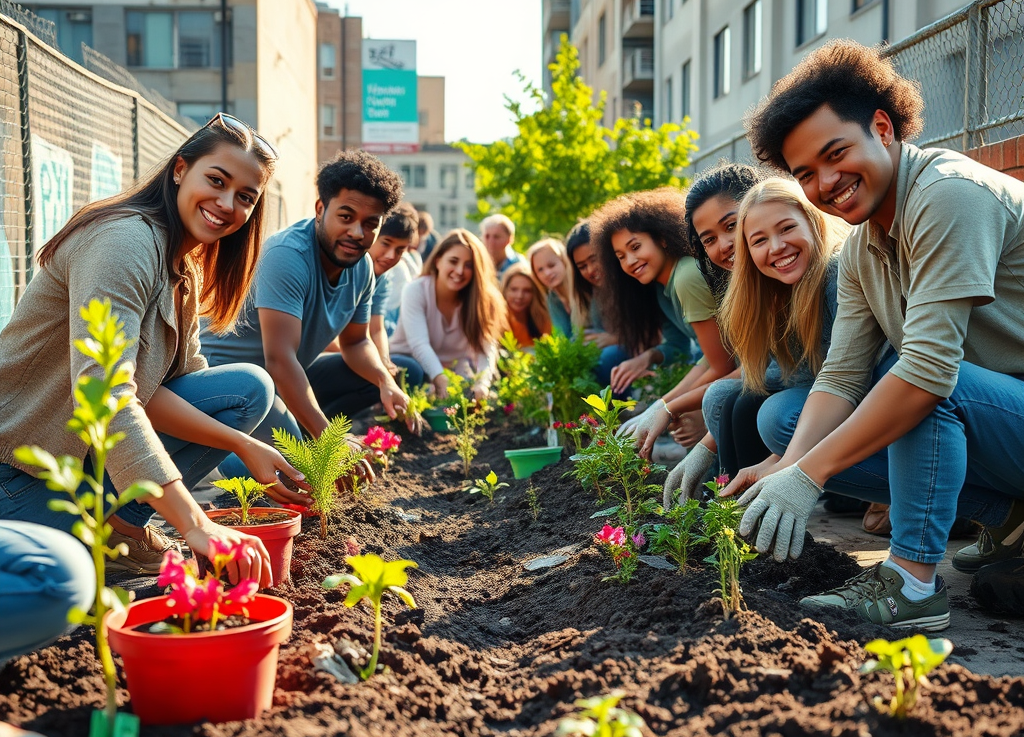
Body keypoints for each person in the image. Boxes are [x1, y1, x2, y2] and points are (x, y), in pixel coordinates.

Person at [729, 39, 1024, 625]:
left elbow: (927, 372)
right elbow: (839, 376)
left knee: (920, 384)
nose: (826, 182)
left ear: (883, 128)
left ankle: (912, 585)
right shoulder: (864, 247)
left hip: (994, 406)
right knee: (784, 423)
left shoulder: (949, 196)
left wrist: (809, 473)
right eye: (805, 173)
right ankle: (1011, 517)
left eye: (836, 153)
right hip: (1004, 416)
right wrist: (788, 465)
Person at [0, 113, 297, 584]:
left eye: (245, 197)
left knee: (246, 390)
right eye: (216, 181)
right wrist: (195, 523)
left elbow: (185, 387)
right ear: (180, 169)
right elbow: (106, 396)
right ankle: (112, 534)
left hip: (77, 465)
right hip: (19, 480)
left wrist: (250, 450)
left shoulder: (181, 267)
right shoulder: (124, 243)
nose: (226, 204)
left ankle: (118, 529)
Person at [201, 150, 413, 481]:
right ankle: (227, 457)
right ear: (320, 210)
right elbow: (281, 360)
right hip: (228, 383)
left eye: (370, 223)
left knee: (385, 376)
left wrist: (385, 381)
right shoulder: (288, 255)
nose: (358, 232)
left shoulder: (363, 268)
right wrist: (330, 439)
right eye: (346, 216)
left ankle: (298, 427)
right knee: (299, 475)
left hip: (278, 379)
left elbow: (356, 342)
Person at [666, 178, 855, 509]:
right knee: (726, 398)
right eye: (709, 239)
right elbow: (770, 373)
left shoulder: (834, 276)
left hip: (854, 404)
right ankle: (736, 511)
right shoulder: (762, 290)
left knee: (774, 414)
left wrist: (778, 463)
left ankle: (792, 501)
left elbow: (845, 378)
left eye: (731, 226)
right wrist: (706, 446)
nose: (726, 244)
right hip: (819, 396)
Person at [590, 187, 736, 458]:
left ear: (663, 239)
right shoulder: (661, 287)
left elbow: (722, 362)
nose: (630, 261)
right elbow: (680, 345)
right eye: (620, 256)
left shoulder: (686, 276)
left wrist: (662, 406)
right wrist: (649, 357)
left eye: (635, 247)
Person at [390, 229, 508, 400]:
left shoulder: (482, 300)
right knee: (412, 371)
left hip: (449, 370)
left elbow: (486, 348)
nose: (460, 271)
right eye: (453, 261)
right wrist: (440, 379)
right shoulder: (416, 290)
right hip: (407, 363)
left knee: (470, 391)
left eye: (468, 266)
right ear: (438, 261)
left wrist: (482, 384)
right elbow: (419, 345)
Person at [366, 202, 423, 385]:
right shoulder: (352, 269)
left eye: (399, 250)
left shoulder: (383, 278)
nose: (391, 255)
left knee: (409, 371)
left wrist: (384, 361)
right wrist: (376, 364)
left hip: (360, 351)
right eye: (386, 243)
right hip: (333, 352)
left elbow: (377, 328)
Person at [565, 221, 627, 390]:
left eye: (594, 259)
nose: (590, 270)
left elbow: (660, 336)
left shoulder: (633, 280)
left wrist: (617, 339)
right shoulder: (592, 293)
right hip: (614, 356)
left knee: (609, 357)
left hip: (641, 357)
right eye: (582, 267)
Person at [526, 237, 574, 337]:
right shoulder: (552, 298)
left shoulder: (582, 288)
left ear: (563, 261)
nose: (547, 273)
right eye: (540, 270)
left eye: (551, 265)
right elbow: (562, 335)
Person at [500, 261, 551, 348]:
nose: (520, 296)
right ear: (505, 290)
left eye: (527, 291)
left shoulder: (543, 319)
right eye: (514, 289)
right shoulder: (496, 319)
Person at [480, 213, 526, 281]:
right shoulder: (478, 263)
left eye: (496, 237)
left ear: (510, 239)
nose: (491, 242)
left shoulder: (519, 266)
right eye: (487, 236)